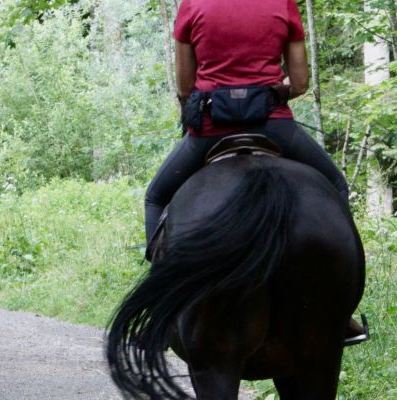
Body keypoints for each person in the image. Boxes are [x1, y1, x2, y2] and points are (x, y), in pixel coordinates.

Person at [145, 0, 367, 346]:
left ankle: (160, 304)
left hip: (210, 130)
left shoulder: (192, 6)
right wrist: (272, 92)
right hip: (274, 126)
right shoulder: (283, 4)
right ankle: (341, 311)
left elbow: (186, 86)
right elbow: (301, 82)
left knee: (156, 196)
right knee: (336, 185)